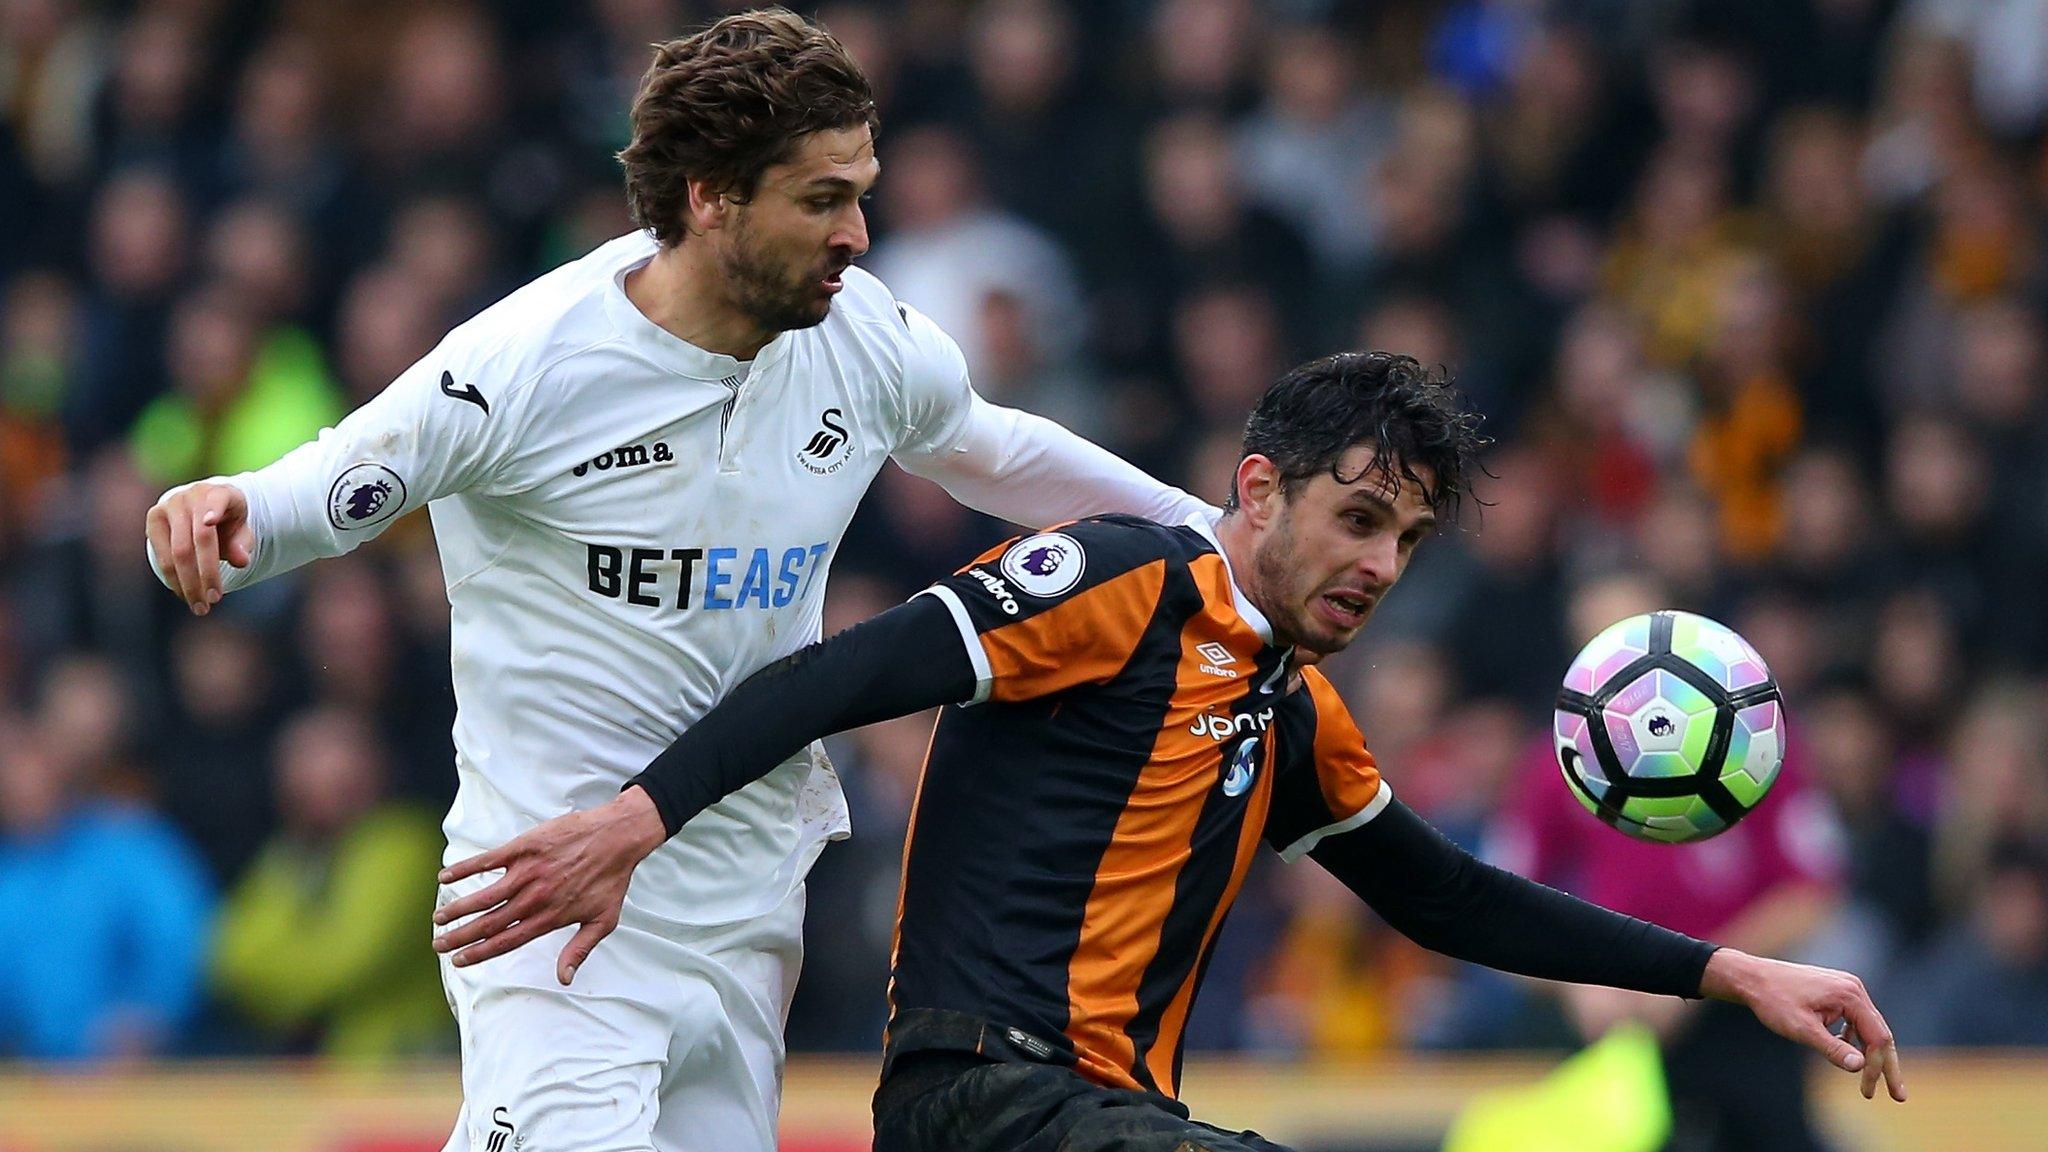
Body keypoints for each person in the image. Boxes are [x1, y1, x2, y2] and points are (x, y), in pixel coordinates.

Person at [143, 11, 1204, 1151]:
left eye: (861, 193)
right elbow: (334, 482)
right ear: (710, 196)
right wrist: (226, 508)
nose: (856, 232)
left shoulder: (863, 338)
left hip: (748, 898)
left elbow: (986, 448)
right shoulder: (529, 363)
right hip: (551, 904)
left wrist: (1209, 536)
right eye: (820, 199)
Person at [443, 352, 1907, 1151]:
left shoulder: (1296, 713)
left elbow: (1442, 897)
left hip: (1113, 1118)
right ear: (1257, 490)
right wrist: (638, 818)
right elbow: (850, 671)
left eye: (1405, 538)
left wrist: (1726, 969)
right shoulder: (1124, 582)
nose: (1381, 563)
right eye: (1357, 518)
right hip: (990, 1101)